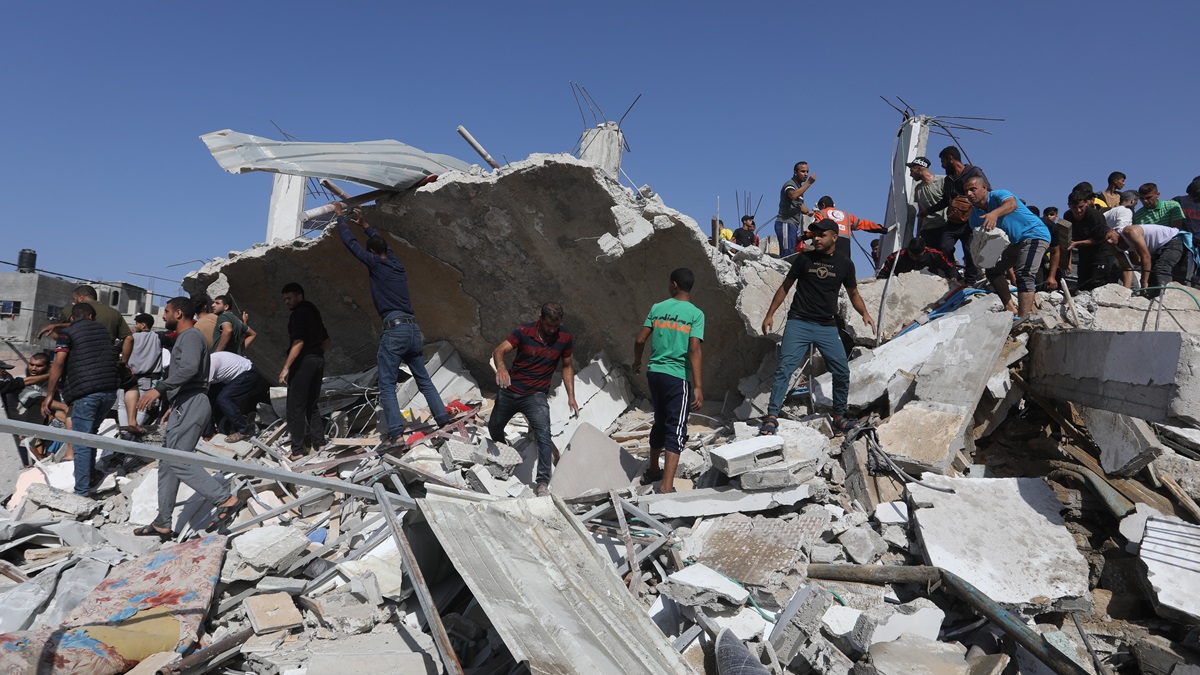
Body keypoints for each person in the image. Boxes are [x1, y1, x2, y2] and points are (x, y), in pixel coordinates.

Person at [334, 202, 451, 446]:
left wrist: (340, 219)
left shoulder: (375, 263)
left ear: (373, 254)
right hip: (413, 330)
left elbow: (350, 245)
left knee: (386, 384)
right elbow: (380, 243)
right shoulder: (398, 264)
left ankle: (396, 433)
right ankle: (443, 421)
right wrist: (366, 225)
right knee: (424, 380)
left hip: (395, 331)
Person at [134, 297, 241, 538]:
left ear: (179, 313)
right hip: (185, 401)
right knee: (167, 463)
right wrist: (174, 401)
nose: (163, 316)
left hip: (192, 401)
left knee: (178, 459)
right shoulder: (186, 337)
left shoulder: (190, 336)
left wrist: (159, 388)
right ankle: (163, 522)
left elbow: (190, 368)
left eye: (167, 312)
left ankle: (225, 499)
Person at [760, 221, 875, 436]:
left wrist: (865, 314)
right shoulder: (804, 259)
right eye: (815, 235)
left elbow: (853, 294)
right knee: (785, 368)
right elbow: (785, 287)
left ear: (834, 237)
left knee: (841, 371)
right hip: (799, 322)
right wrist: (769, 314)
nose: (816, 239)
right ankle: (772, 416)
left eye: (822, 235)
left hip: (826, 326)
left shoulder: (845, 264)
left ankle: (839, 417)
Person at [490, 303, 578, 496]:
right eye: (548, 326)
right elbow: (499, 351)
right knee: (494, 428)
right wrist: (502, 367)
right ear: (540, 318)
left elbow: (567, 366)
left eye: (556, 326)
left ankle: (542, 483)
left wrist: (571, 396)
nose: (552, 330)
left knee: (544, 435)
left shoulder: (565, 337)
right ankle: (505, 454)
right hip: (510, 391)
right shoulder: (524, 331)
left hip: (536, 395)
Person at [632, 269, 703, 494]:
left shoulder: (657, 308)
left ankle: (653, 469)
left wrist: (636, 362)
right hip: (677, 377)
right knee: (677, 427)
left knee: (660, 421)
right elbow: (694, 349)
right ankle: (666, 486)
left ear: (674, 285)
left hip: (655, 373)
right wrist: (699, 386)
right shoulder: (696, 314)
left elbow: (640, 338)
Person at [43, 303, 119, 497]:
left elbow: (58, 363)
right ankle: (91, 477)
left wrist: (50, 395)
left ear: (71, 319)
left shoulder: (67, 334)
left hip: (86, 394)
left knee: (81, 442)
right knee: (91, 435)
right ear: (92, 316)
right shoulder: (103, 331)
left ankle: (81, 492)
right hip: (110, 391)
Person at [963, 177, 1051, 319]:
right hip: (1014, 243)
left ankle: (1024, 319)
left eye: (973, 189)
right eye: (966, 191)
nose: (969, 194)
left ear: (984, 187)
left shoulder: (999, 195)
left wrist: (994, 213)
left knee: (1024, 275)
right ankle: (1010, 309)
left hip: (1034, 234)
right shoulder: (974, 217)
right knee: (992, 271)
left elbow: (1012, 204)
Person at [919, 147, 989, 283]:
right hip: (953, 221)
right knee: (944, 246)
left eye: (943, 161)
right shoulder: (949, 179)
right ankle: (954, 275)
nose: (942, 165)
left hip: (971, 220)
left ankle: (970, 280)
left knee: (969, 250)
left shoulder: (974, 172)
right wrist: (928, 211)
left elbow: (987, 191)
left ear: (951, 158)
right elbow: (945, 200)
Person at [279, 283, 330, 459]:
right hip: (317, 360)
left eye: (289, 298)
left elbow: (298, 342)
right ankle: (320, 442)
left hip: (304, 362)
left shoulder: (298, 314)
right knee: (312, 405)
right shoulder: (313, 313)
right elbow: (326, 340)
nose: (287, 302)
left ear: (299, 296)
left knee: (295, 407)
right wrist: (317, 354)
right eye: (285, 299)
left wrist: (286, 368)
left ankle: (297, 451)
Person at [1103, 223, 1192, 297]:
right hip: (1158, 249)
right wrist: (1124, 293)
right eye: (1105, 241)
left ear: (1112, 229)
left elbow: (1146, 257)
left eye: (1109, 237)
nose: (1110, 242)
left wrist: (1143, 283)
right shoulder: (1113, 247)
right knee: (1152, 282)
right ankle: (1157, 298)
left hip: (1174, 239)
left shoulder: (1130, 232)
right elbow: (1127, 270)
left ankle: (1168, 298)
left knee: (1161, 268)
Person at [116, 313, 164, 433]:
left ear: (143, 325)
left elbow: (116, 349)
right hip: (148, 379)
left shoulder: (131, 338)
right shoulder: (158, 337)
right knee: (141, 407)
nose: (135, 325)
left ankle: (124, 431)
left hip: (129, 377)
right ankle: (135, 431)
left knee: (122, 404)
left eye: (137, 323)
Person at [208, 351, 270, 442]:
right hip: (233, 377)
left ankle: (244, 430)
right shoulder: (203, 364)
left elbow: (204, 390)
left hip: (247, 373)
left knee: (224, 400)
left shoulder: (208, 366)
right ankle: (214, 432)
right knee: (213, 400)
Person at [1065, 189, 1118, 290]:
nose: (1078, 211)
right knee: (1083, 283)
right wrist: (1068, 262)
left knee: (1097, 283)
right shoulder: (1068, 216)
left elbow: (1101, 238)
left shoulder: (1095, 216)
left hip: (1101, 251)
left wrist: (1077, 243)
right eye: (1074, 207)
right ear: (1069, 205)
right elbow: (1068, 240)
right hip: (1084, 252)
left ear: (1086, 203)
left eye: (1081, 207)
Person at [807, 196, 886, 257]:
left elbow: (816, 230)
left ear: (823, 205)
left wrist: (804, 237)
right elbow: (864, 224)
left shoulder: (821, 213)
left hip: (830, 242)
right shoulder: (847, 215)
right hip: (845, 244)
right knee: (843, 266)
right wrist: (881, 229)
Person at [774, 162, 815, 257]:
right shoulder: (790, 184)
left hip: (792, 225)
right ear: (795, 172)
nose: (806, 174)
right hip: (785, 222)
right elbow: (793, 195)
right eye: (803, 171)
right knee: (787, 254)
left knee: (791, 252)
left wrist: (809, 212)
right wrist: (809, 183)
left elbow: (800, 205)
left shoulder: (799, 187)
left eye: (807, 172)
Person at [909, 156, 949, 252]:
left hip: (944, 225)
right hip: (927, 229)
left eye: (912, 171)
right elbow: (920, 212)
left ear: (919, 169)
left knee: (946, 253)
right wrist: (918, 233)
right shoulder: (918, 189)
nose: (911, 175)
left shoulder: (943, 181)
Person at [876, 236, 959, 280]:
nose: (914, 259)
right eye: (911, 255)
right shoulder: (895, 257)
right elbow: (882, 275)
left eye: (918, 256)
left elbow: (949, 267)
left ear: (924, 250)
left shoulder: (934, 254)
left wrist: (953, 277)